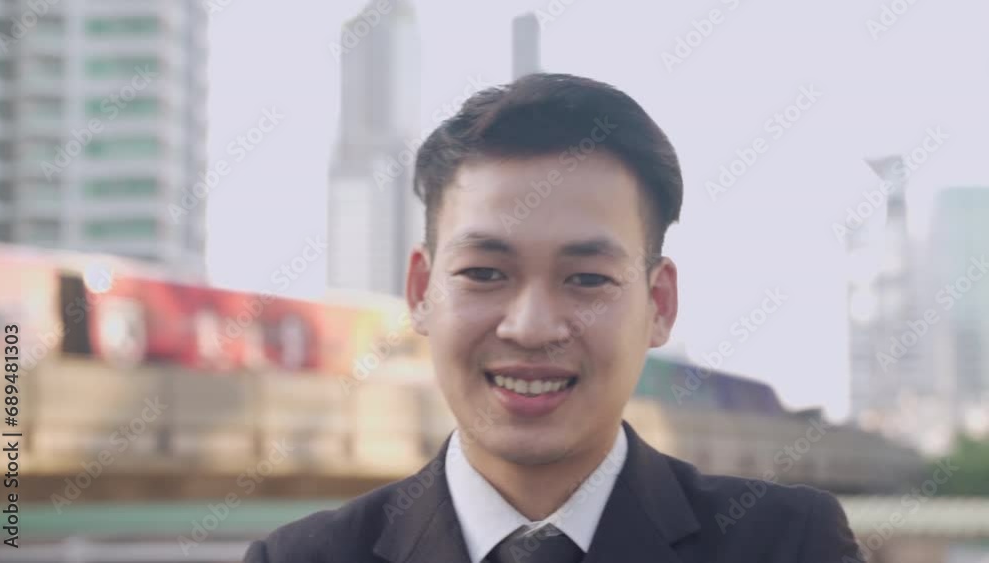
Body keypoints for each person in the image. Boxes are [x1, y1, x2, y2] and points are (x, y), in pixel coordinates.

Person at [244, 73, 865, 563]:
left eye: (587, 279)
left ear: (660, 304)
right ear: (420, 290)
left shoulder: (786, 544)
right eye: (484, 273)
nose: (531, 328)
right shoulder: (300, 558)